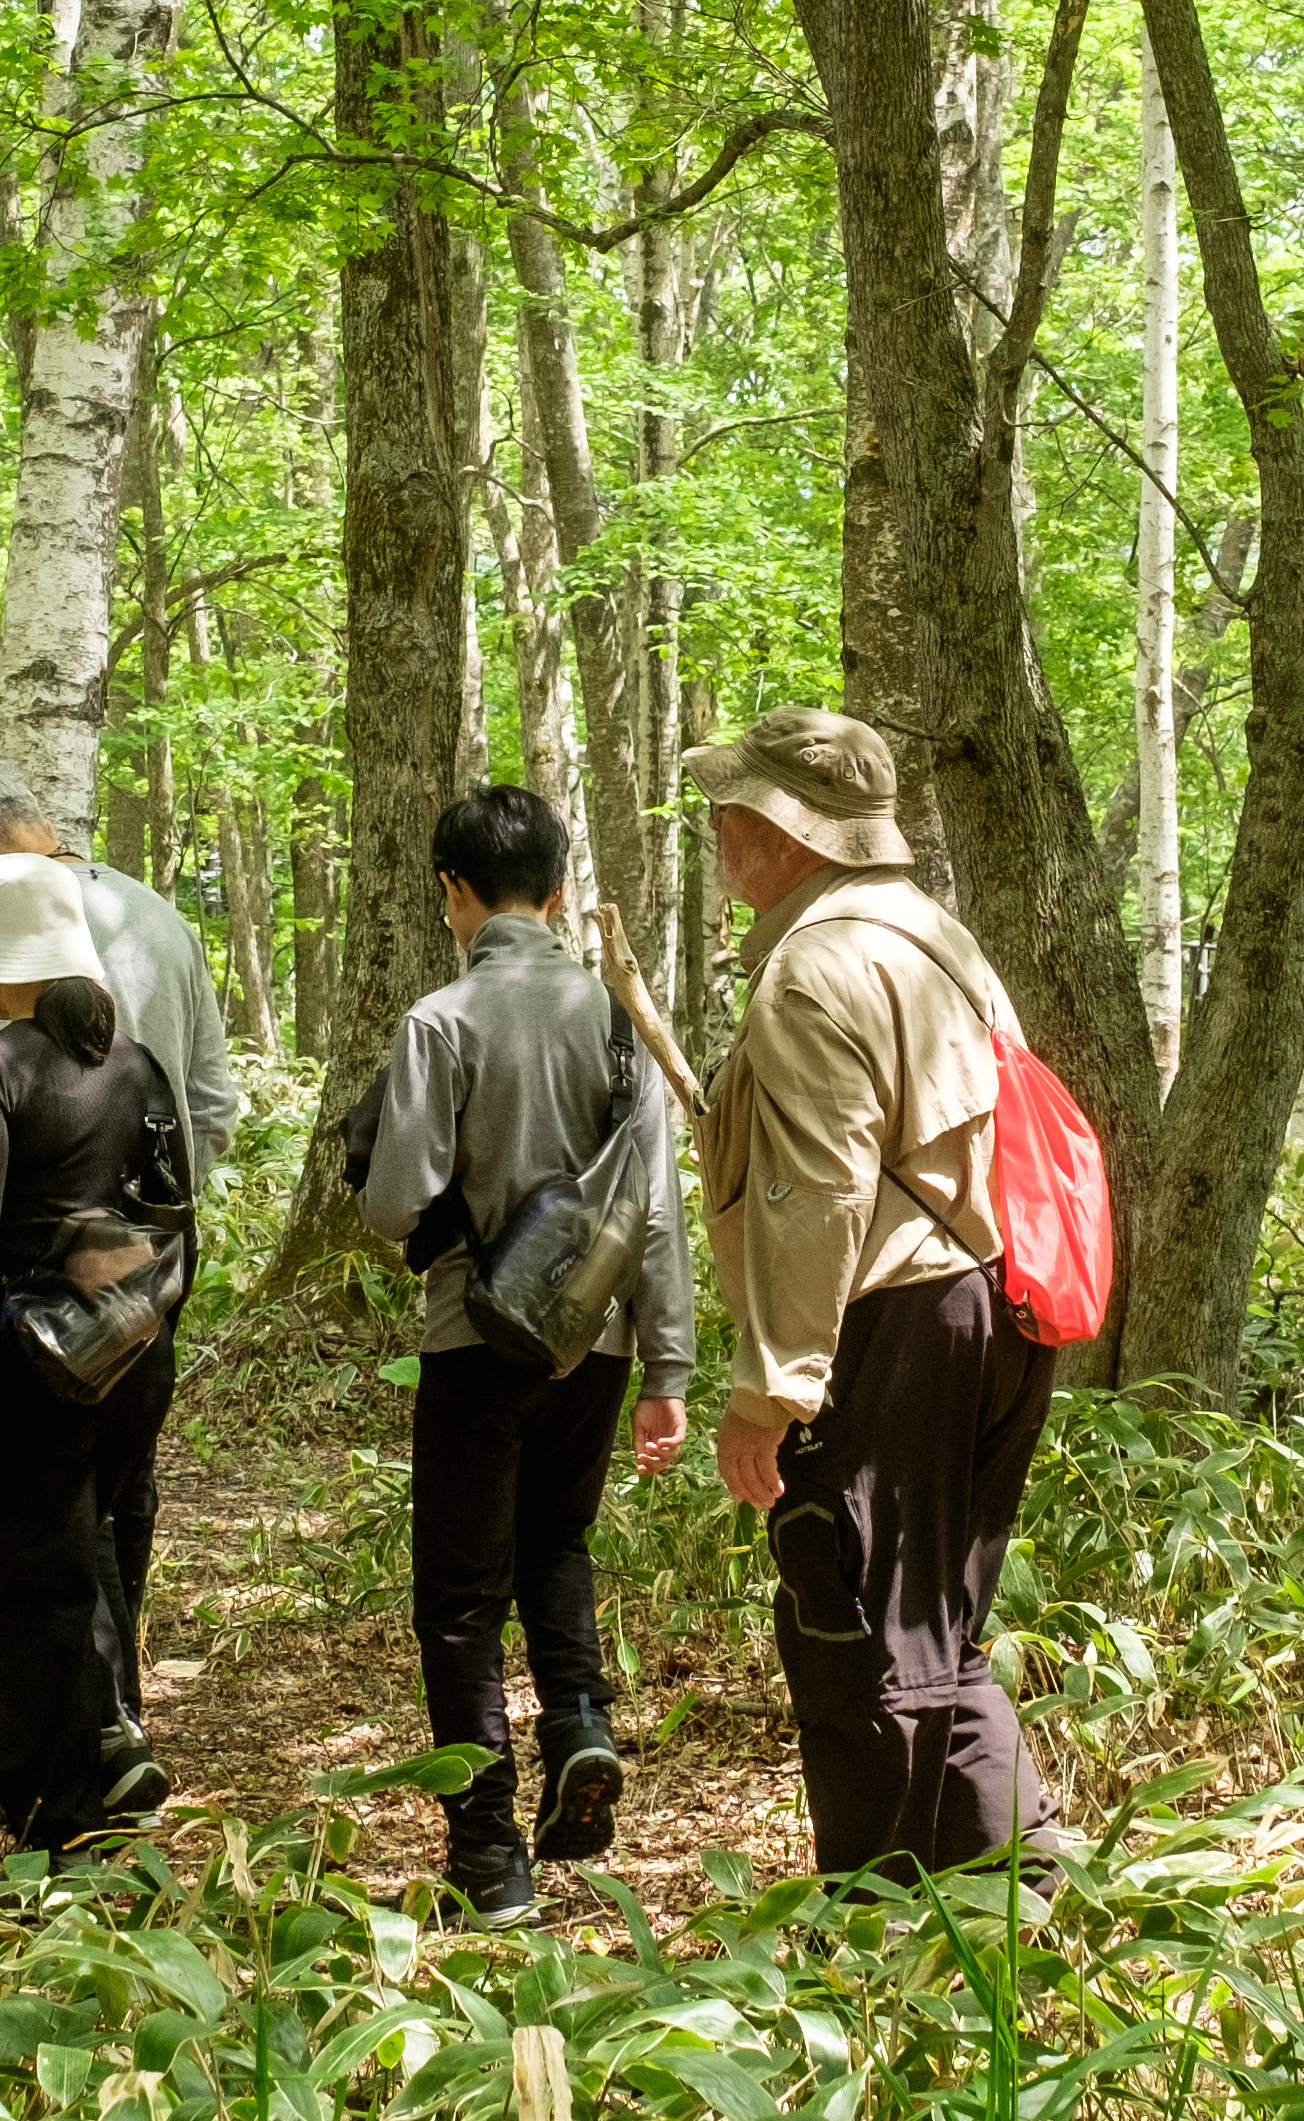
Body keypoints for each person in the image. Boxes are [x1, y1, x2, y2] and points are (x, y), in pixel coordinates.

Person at [687, 706, 1063, 1881]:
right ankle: (1020, 1893)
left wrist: (771, 1388)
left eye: (733, 808)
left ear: (791, 833)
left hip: (892, 1318)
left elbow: (817, 1194)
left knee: (853, 1635)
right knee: (930, 1637)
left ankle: (880, 1925)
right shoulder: (934, 934)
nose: (716, 827)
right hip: (993, 1305)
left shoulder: (812, 967)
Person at [354, 785, 695, 1925]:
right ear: (556, 893)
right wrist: (666, 1372)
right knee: (557, 1543)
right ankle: (580, 1729)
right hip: (591, 1344)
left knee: (457, 1601)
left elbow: (397, 1201)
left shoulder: (439, 1021)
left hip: (472, 1338)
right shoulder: (612, 1025)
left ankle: (488, 1856)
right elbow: (652, 1214)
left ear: (453, 890)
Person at [0, 851, 193, 1850]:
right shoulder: (134, 1063)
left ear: (0, 968)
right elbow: (177, 1213)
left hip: (36, 1358)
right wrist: (146, 1320)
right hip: (134, 1350)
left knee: (25, 1588)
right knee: (86, 1555)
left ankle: (59, 1813)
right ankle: (107, 1750)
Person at [0, 759, 242, 1196]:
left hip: (42, 1253)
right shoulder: (165, 918)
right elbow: (213, 1104)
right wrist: (157, 1216)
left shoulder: (0, 938)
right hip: (158, 1252)